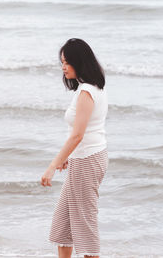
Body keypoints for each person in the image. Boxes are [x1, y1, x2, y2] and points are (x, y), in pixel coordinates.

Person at [40, 38, 109, 258]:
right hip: (86, 157)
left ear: (79, 62)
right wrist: (68, 157)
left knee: (85, 222)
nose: (63, 67)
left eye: (67, 62)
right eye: (62, 62)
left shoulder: (86, 92)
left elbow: (78, 135)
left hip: (88, 160)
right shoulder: (91, 88)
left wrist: (53, 165)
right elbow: (85, 132)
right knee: (63, 224)